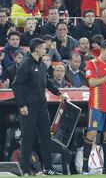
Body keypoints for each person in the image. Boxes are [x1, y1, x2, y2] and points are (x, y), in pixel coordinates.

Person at [12, 38, 67, 176]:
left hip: (42, 106)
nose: (45, 50)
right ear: (37, 49)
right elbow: (16, 85)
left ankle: (48, 168)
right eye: (43, 47)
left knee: (46, 137)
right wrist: (22, 105)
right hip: (28, 107)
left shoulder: (42, 64)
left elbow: (47, 82)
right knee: (27, 138)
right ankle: (25, 170)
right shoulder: (25, 63)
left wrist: (59, 93)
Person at [82, 40, 106, 174]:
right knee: (92, 133)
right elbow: (92, 82)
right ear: (102, 50)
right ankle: (85, 167)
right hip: (97, 104)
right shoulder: (91, 63)